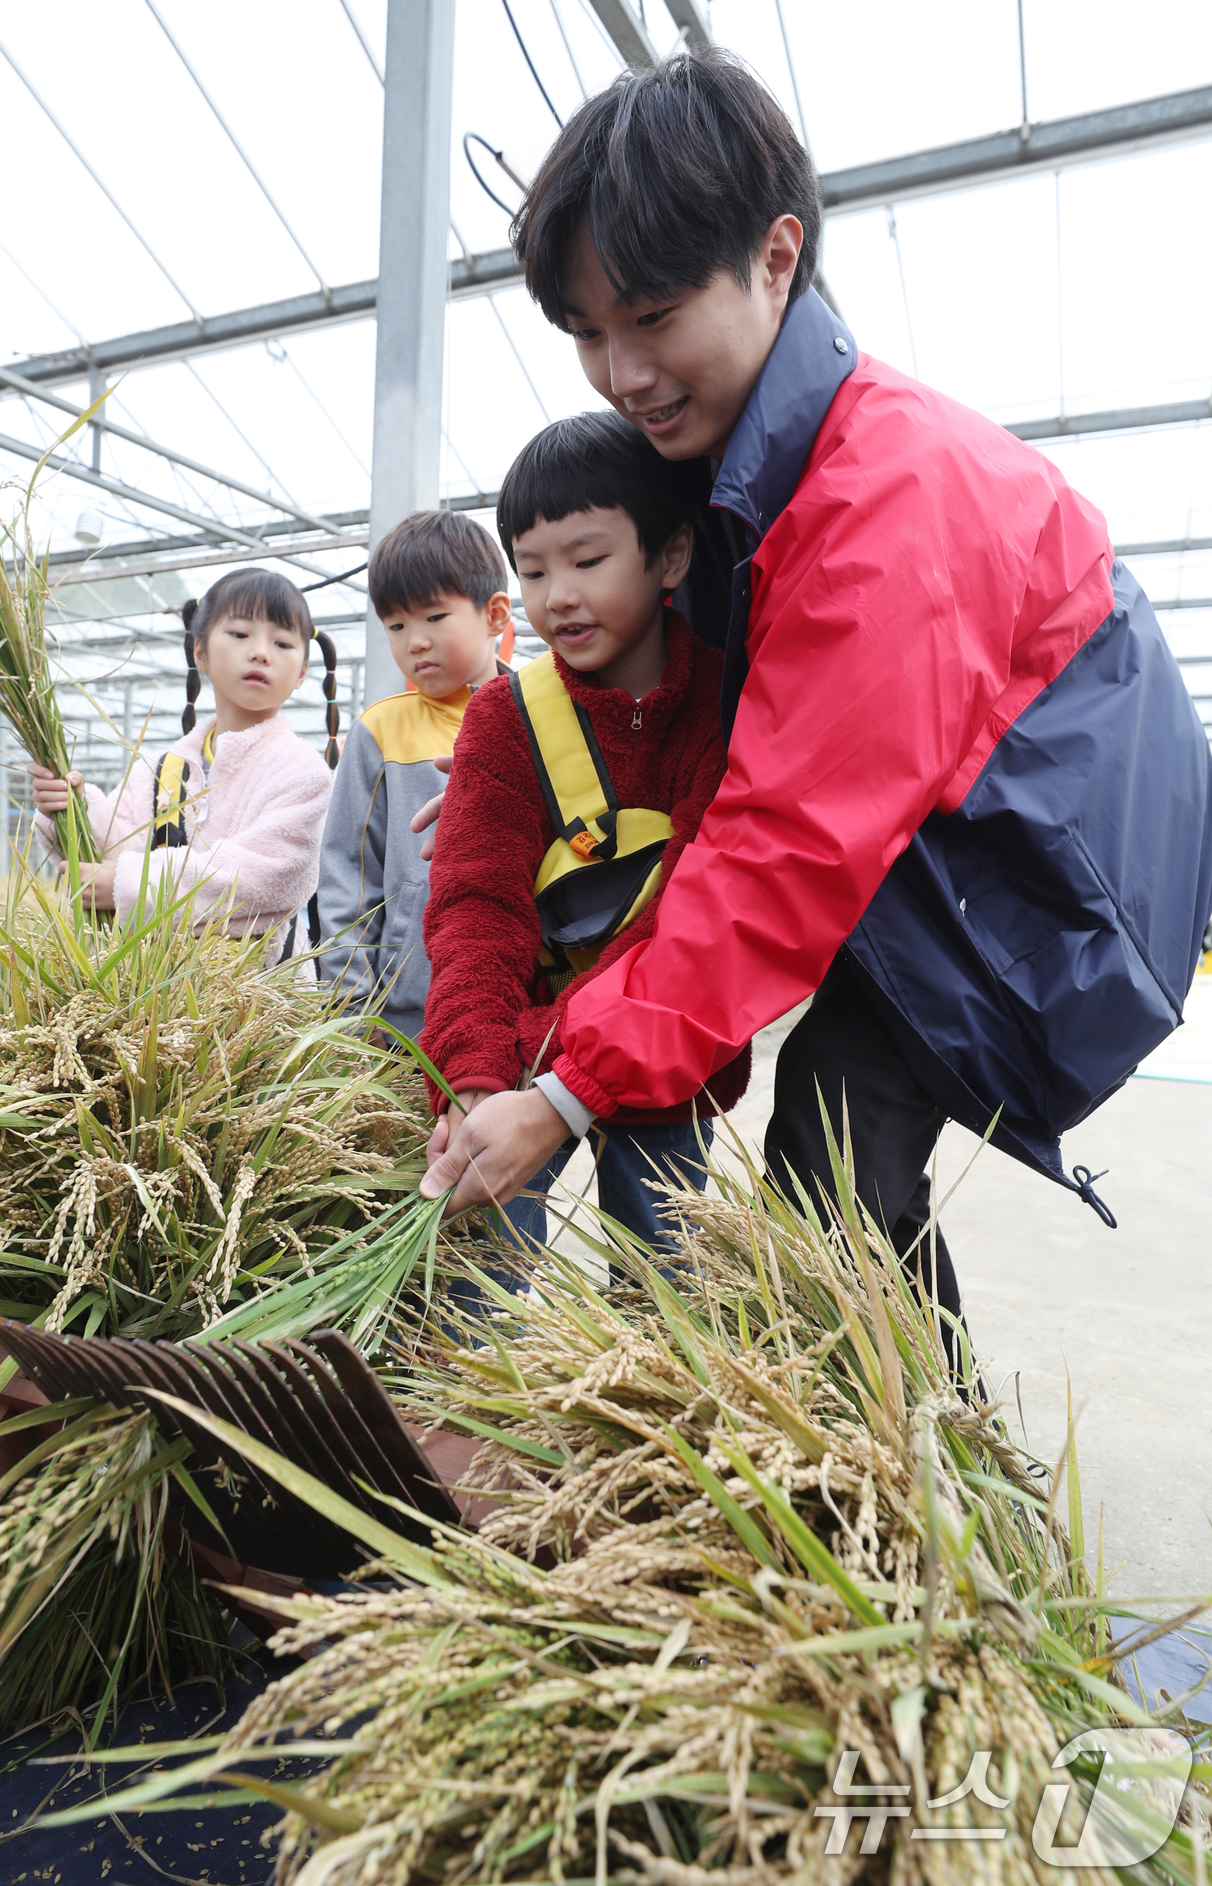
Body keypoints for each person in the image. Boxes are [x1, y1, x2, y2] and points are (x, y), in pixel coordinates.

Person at [423, 48, 1212, 1364]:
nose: (620, 370)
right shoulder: (747, 473)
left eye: (656, 315)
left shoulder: (879, 505)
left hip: (1035, 879)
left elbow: (786, 840)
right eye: (585, 330)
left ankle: (894, 1498)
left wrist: (562, 1088)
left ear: (776, 258)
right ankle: (909, 1464)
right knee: (836, 1145)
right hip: (957, 847)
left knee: (835, 1151)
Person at [422, 412, 751, 1256]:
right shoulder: (503, 715)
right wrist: (472, 1080)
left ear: (671, 555)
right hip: (514, 1047)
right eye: (531, 571)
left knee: (664, 1276)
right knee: (474, 1271)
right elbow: (474, 905)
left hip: (664, 1061)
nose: (556, 595)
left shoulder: (726, 708)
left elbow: (689, 921)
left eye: (588, 560)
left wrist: (561, 1068)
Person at [29, 568, 334, 959]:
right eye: (240, 634)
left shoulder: (303, 773)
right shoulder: (162, 767)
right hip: (156, 1000)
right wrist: (70, 810)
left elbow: (269, 875)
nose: (261, 651)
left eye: (282, 643)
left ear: (302, 672)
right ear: (200, 652)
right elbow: (117, 846)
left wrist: (132, 887)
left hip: (260, 1000)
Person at [317, 511, 512, 1042]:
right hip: (406, 1021)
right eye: (397, 626)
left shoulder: (542, 715)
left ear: (494, 614)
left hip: (520, 1009)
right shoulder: (381, 731)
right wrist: (351, 1011)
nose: (415, 641)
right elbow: (347, 874)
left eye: (434, 617)